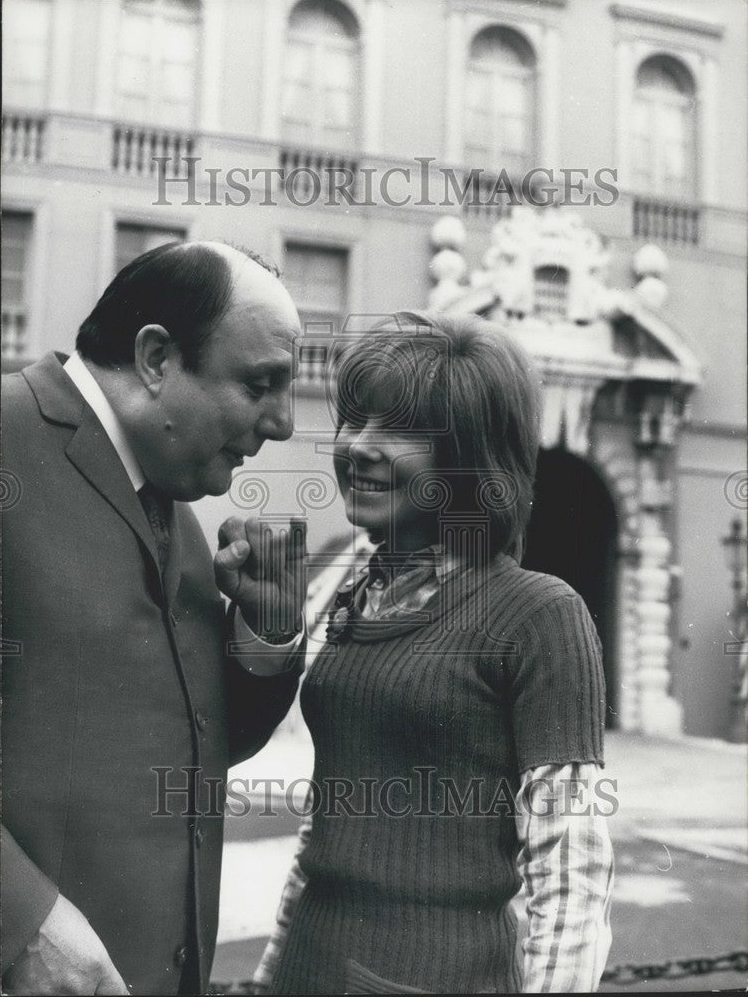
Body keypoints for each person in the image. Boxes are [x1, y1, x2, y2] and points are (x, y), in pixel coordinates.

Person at [254, 311, 614, 994]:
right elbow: (324, 831)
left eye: (399, 428)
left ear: (471, 459)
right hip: (311, 968)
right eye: (355, 420)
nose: (358, 445)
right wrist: (273, 972)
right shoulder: (357, 595)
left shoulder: (541, 614)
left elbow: (569, 871)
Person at [1, 242, 308, 996]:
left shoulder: (170, 500)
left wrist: (266, 631)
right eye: (261, 383)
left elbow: (198, 742)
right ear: (156, 357)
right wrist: (19, 926)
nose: (284, 424)